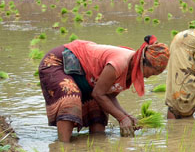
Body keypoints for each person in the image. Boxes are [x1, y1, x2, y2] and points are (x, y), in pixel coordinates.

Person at [38, 36, 169, 143]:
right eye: (152, 72)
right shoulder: (120, 63)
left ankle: (97, 147)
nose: (149, 76)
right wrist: (122, 118)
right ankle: (63, 148)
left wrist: (128, 117)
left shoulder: (131, 70)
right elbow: (98, 93)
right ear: (144, 62)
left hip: (83, 74)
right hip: (57, 63)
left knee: (99, 106)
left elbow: (109, 95)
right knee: (71, 95)